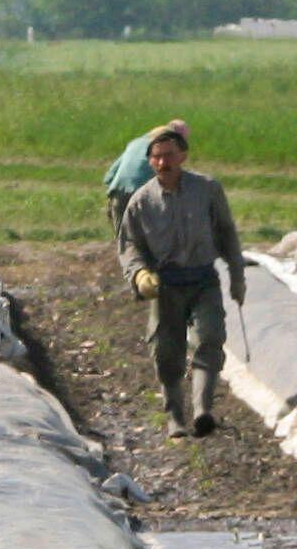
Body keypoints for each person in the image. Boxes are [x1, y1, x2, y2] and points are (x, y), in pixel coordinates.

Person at [116, 124, 245, 437]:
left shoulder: (207, 189)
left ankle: (203, 411)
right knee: (166, 352)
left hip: (203, 278)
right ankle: (175, 418)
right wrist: (139, 275)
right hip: (166, 285)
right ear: (150, 163)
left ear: (183, 156)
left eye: (170, 156)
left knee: (210, 338)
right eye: (157, 158)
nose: (164, 163)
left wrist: (237, 275)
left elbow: (227, 232)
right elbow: (129, 244)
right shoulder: (142, 201)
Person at [104, 116, 186, 246]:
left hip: (118, 191)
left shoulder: (135, 143)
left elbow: (109, 176)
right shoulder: (165, 151)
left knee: (122, 241)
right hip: (142, 195)